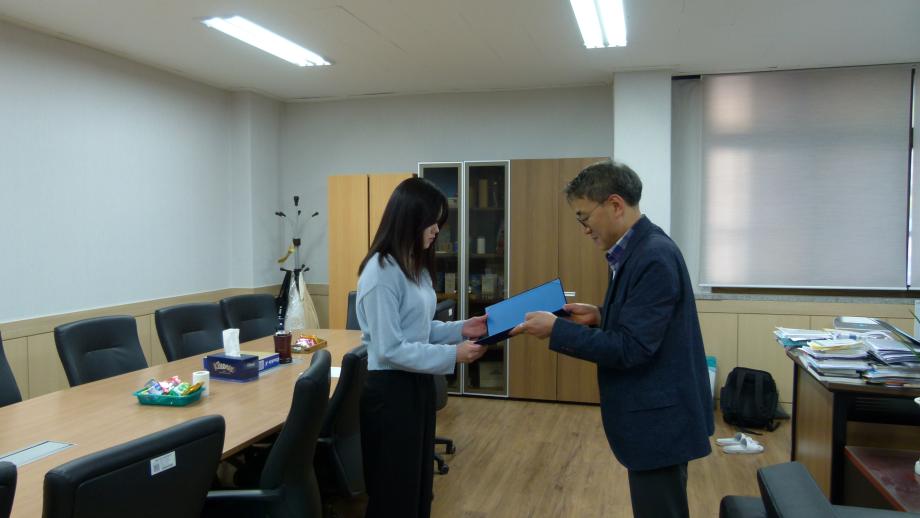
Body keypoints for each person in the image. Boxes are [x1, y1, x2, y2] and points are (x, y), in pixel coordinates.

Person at [511, 160, 713, 518]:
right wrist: (600, 315)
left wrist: (557, 329)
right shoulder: (639, 250)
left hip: (659, 422)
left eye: (584, 217)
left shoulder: (653, 256)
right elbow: (647, 321)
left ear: (615, 205)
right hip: (658, 416)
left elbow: (631, 348)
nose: (584, 229)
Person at [357, 177, 488, 518]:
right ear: (410, 219)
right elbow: (390, 348)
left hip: (417, 386)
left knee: (418, 488)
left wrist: (462, 329)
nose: (437, 231)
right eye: (432, 222)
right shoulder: (380, 272)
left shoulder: (414, 265)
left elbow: (419, 329)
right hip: (390, 392)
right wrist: (454, 354)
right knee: (394, 494)